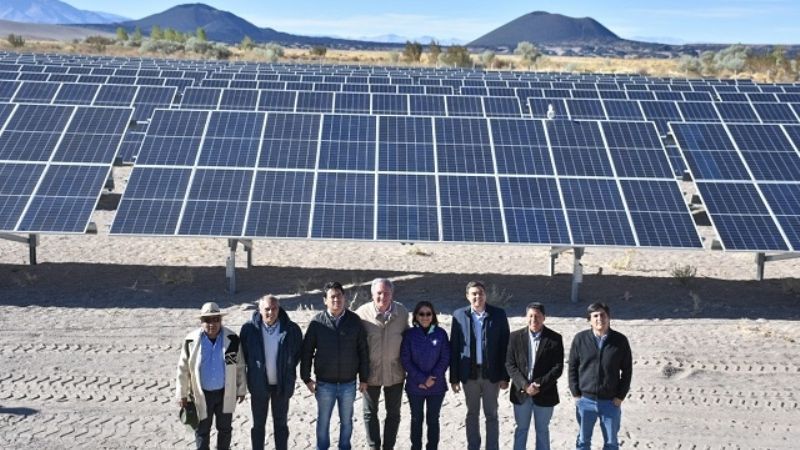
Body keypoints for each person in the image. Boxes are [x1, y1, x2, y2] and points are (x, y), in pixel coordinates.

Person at [301, 281, 370, 450]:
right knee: (323, 422)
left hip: (348, 384)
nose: (336, 300)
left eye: (339, 296)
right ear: (325, 300)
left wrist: (364, 377)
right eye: (332, 297)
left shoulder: (354, 321)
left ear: (344, 298)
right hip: (324, 384)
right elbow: (307, 351)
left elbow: (363, 350)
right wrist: (306, 378)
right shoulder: (317, 322)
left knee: (347, 422)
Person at [449, 280, 510, 450]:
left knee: (492, 414)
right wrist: (454, 378)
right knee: (472, 414)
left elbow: (505, 346)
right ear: (467, 296)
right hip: (469, 374)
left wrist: (505, 377)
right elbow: (454, 347)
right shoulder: (459, 315)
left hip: (492, 374)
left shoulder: (498, 314)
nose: (478, 296)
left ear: (486, 295)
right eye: (474, 293)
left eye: (481, 293)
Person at [176, 302, 246, 450]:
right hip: (201, 395)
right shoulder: (191, 341)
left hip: (225, 393)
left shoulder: (232, 339)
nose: (212, 324)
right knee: (202, 431)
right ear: (201, 322)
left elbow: (239, 366)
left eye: (216, 319)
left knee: (225, 430)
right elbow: (183, 369)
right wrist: (182, 394)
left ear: (220, 320)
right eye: (207, 320)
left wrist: (241, 389)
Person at [240, 294, 303, 450]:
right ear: (260, 310)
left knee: (281, 425)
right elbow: (244, 356)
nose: (270, 312)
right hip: (259, 384)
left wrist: (286, 369)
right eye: (267, 309)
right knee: (258, 426)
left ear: (278, 309)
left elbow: (296, 355)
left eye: (274, 308)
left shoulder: (292, 329)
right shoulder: (249, 329)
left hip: (281, 385)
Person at [568, 302, 633, 450]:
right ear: (589, 320)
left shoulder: (620, 340)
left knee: (611, 443)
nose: (599, 319)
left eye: (603, 315)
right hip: (585, 401)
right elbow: (572, 367)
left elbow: (627, 371)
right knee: (583, 442)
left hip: (610, 402)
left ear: (609, 318)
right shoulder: (580, 339)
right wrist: (576, 394)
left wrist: (620, 397)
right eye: (595, 316)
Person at [355, 278, 409, 450]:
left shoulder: (402, 312)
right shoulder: (361, 314)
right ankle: (374, 446)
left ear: (392, 294)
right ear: (372, 294)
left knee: (393, 414)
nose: (383, 297)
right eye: (379, 293)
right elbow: (355, 344)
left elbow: (408, 338)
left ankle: (388, 447)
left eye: (386, 293)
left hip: (396, 373)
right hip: (370, 374)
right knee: (370, 413)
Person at [505, 302, 564, 450]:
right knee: (521, 429)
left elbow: (557, 368)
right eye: (530, 316)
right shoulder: (514, 337)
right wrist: (525, 385)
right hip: (521, 393)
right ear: (526, 317)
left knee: (542, 431)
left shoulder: (555, 339)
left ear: (544, 317)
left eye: (537, 316)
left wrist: (539, 384)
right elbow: (510, 365)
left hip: (545, 392)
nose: (533, 319)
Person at [400, 301, 450, 450]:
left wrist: (431, 378)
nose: (425, 317)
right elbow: (405, 359)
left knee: (433, 420)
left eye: (428, 314)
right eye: (421, 314)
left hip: (436, 386)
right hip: (415, 386)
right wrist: (421, 379)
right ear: (416, 316)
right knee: (416, 419)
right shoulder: (409, 335)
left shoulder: (440, 334)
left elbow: (445, 358)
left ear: (433, 316)